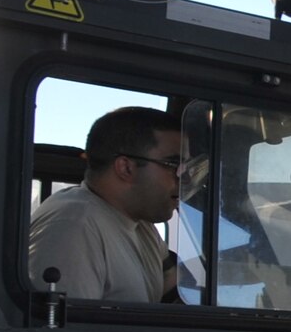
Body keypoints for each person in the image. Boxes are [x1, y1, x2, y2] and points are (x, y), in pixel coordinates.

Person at [29, 107, 185, 303]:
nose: (184, 180)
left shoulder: (140, 225)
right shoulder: (74, 227)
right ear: (126, 168)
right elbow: (68, 331)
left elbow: (177, 295)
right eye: (173, 166)